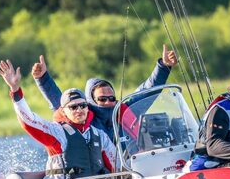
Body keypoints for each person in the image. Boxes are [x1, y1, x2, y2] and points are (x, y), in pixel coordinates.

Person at [0, 59, 117, 179]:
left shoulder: (100, 135)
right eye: (73, 107)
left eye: (82, 105)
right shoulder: (57, 132)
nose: (79, 110)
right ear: (64, 111)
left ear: (87, 108)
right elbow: (28, 121)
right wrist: (15, 90)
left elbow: (117, 164)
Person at [31, 45, 178, 142]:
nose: (108, 102)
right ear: (91, 101)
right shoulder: (81, 113)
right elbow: (59, 100)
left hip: (130, 169)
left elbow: (147, 89)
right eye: (102, 99)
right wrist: (42, 78)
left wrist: (164, 67)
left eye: (111, 98)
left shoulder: (124, 111)